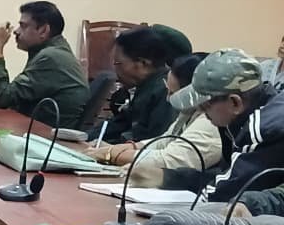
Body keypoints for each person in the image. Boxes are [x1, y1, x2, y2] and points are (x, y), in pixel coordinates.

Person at [169, 49, 284, 203]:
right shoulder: (241, 118)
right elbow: (226, 173)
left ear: (235, 103)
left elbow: (225, 191)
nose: (201, 111)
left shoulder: (263, 129)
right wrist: (167, 177)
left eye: (205, 105)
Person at [90, 53, 223, 188]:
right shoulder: (191, 110)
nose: (167, 99)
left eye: (173, 93)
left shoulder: (212, 120)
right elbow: (165, 141)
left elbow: (168, 160)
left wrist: (111, 154)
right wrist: (128, 147)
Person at [0, 0, 88, 128]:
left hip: (47, 136)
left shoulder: (51, 57)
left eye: (23, 26)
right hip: (38, 130)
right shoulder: (51, 52)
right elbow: (15, 99)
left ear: (43, 30)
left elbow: (2, 98)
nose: (16, 31)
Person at [97, 27, 175, 144]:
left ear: (143, 63)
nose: (115, 70)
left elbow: (153, 141)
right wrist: (85, 138)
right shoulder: (146, 86)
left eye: (118, 63)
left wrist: (108, 147)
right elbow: (119, 124)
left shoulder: (166, 91)